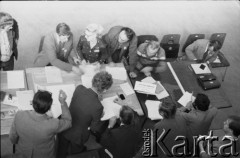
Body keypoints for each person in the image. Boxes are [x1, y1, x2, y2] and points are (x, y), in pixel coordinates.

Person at [57, 71, 113, 157]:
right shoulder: (98, 107)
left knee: (61, 148)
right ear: (105, 90)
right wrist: (100, 115)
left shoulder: (79, 88)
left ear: (93, 81)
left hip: (65, 125)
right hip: (78, 135)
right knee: (76, 154)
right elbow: (94, 128)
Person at [9, 90, 72, 158]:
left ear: (32, 103)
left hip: (22, 153)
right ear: (49, 108)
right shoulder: (53, 124)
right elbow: (68, 122)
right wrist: (63, 102)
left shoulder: (19, 115)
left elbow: (13, 137)